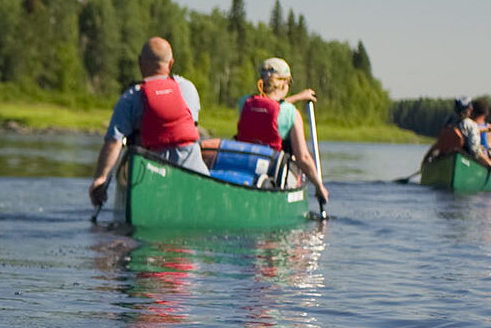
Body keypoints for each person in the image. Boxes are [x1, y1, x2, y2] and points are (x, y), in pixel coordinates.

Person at [89, 37, 206, 208]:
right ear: (171, 63)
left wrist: (101, 178)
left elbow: (114, 142)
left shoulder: (131, 96)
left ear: (140, 63)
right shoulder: (188, 89)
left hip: (151, 182)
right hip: (195, 179)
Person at [232, 57, 328, 206]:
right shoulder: (291, 113)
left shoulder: (244, 102)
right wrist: (319, 186)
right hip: (276, 176)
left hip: (245, 170)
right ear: (283, 83)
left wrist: (297, 97)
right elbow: (302, 157)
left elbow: (268, 106)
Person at [425, 97, 491, 172]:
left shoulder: (449, 123)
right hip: (467, 159)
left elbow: (439, 144)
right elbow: (475, 151)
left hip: (446, 157)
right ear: (470, 109)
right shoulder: (471, 125)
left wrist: (425, 161)